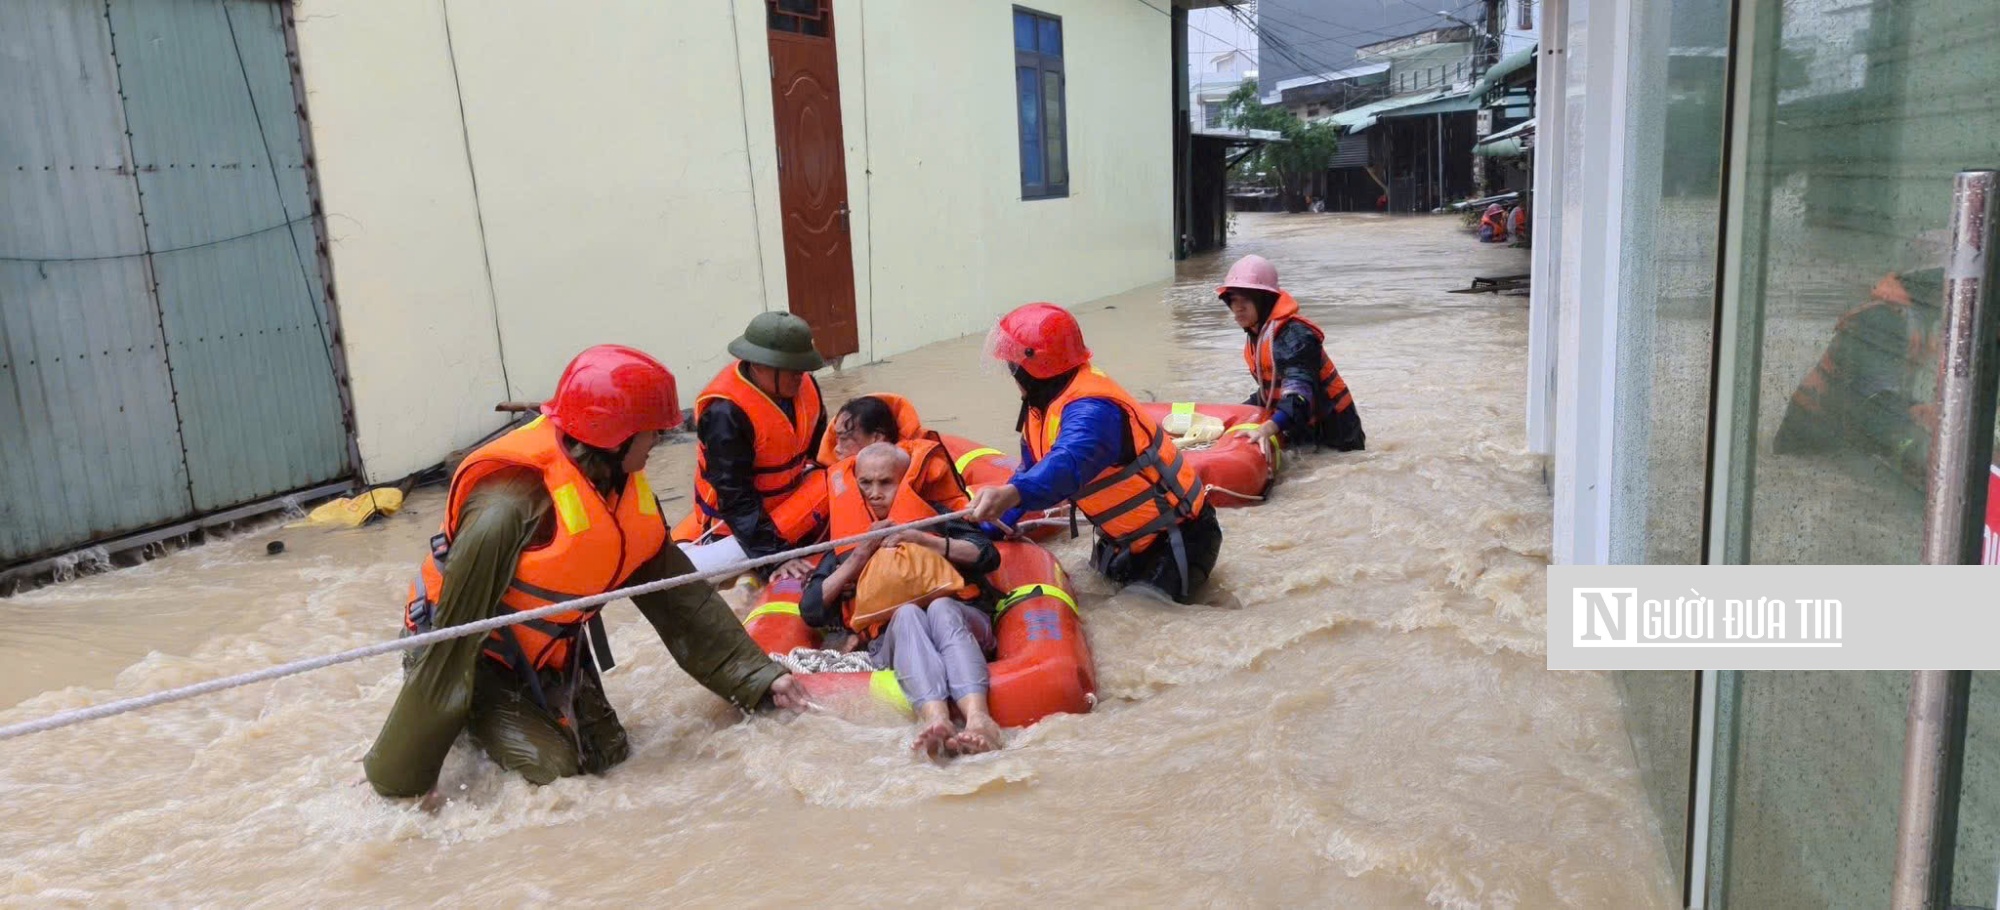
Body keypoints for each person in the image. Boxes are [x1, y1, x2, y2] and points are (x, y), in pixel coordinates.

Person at [366, 345, 803, 801]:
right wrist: (405, 774)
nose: (659, 441)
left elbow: (680, 600)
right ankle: (469, 725)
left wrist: (759, 677)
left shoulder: (618, 483)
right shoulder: (507, 509)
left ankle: (513, 718)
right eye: (652, 432)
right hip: (475, 661)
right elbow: (451, 641)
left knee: (609, 756)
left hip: (548, 654)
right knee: (556, 774)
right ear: (615, 440)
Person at [967, 303, 1222, 603]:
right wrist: (986, 529)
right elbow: (1030, 470)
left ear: (1032, 367)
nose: (1011, 374)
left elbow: (1067, 465)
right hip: (1123, 541)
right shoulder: (1042, 408)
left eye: (1013, 365)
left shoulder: (1093, 411)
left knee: (1137, 614)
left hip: (1178, 538)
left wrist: (1012, 494)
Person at [801, 443, 1001, 755]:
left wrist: (923, 540)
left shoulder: (934, 516)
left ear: (904, 480)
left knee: (942, 607)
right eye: (865, 483)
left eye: (885, 483)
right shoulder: (848, 539)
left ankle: (979, 720)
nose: (874, 493)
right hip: (894, 634)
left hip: (960, 616)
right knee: (906, 614)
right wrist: (860, 557)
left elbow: (988, 555)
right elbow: (811, 609)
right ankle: (936, 719)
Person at [1774, 231, 1949, 482]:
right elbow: (1871, 404)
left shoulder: (1913, 320)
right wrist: (1917, 412)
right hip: (1813, 460)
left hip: (1833, 456)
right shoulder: (1883, 320)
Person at [674, 313, 831, 578]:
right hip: (735, 524)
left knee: (836, 478)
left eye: (802, 368)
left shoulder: (806, 387)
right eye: (792, 369)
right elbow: (735, 496)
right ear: (759, 365)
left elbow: (816, 451)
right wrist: (774, 557)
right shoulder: (726, 414)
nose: (800, 375)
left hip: (787, 502)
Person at [1214, 254, 1366, 452]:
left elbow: (1299, 395)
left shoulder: (1295, 336)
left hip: (1335, 436)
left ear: (1264, 301)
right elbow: (1269, 392)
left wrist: (1266, 429)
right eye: (1234, 300)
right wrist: (1232, 415)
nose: (1238, 308)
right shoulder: (1258, 334)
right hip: (1301, 427)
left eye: (1246, 299)